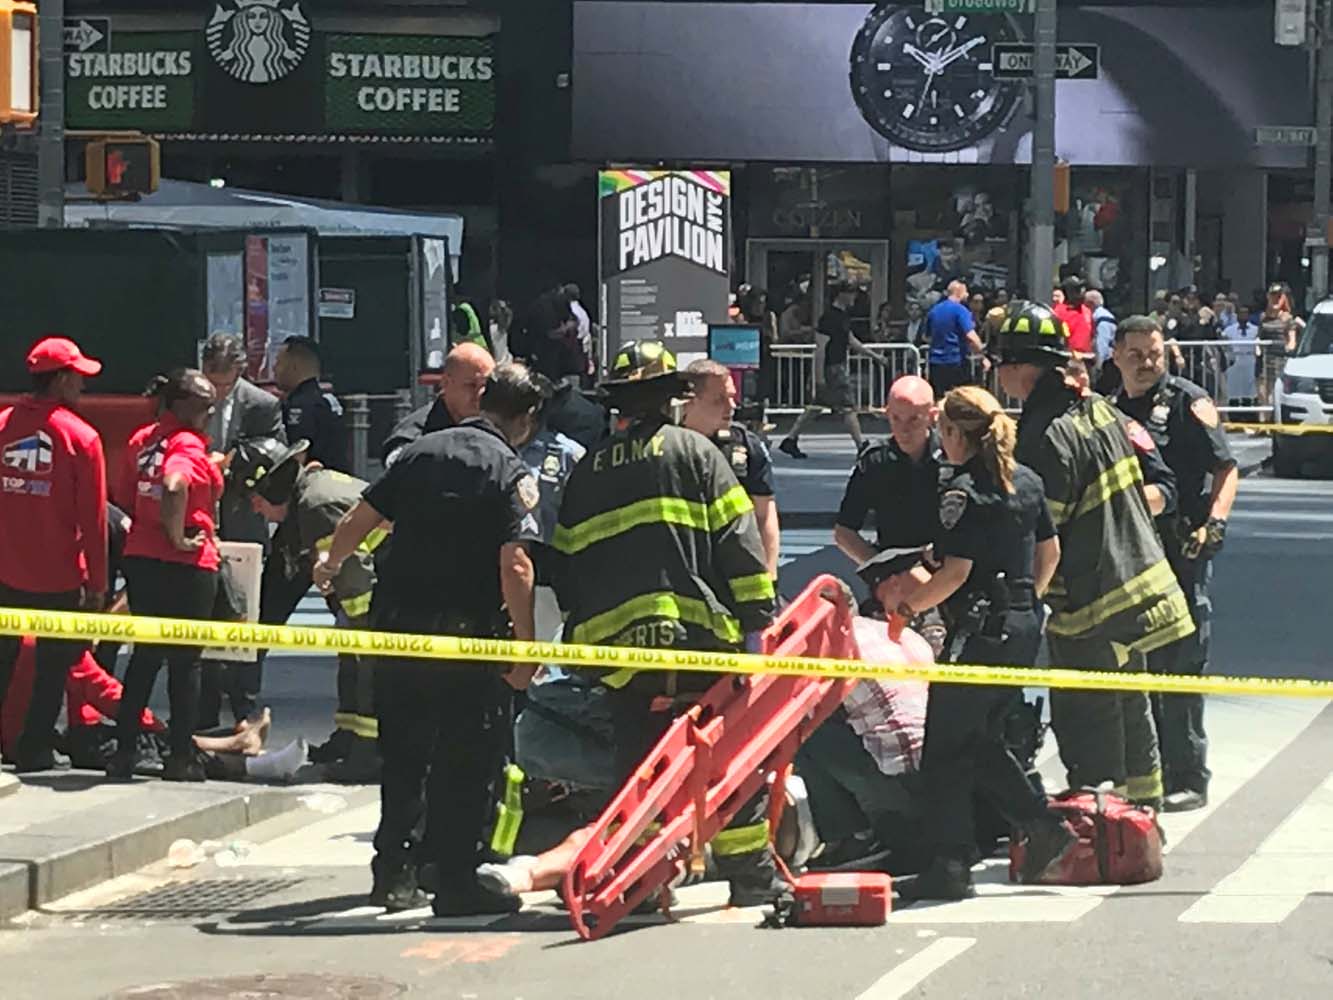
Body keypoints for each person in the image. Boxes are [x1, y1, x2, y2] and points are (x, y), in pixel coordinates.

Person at [548, 340, 782, 908]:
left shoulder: (587, 471)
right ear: (671, 400)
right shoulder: (698, 455)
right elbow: (740, 547)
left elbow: (564, 566)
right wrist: (759, 624)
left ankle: (642, 876)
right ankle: (750, 874)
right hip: (697, 647)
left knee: (640, 769)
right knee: (730, 760)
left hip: (624, 660)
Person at [316, 361, 543, 916]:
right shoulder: (508, 469)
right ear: (527, 419)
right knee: (465, 759)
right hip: (468, 643)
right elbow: (516, 565)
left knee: (404, 758)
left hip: (399, 635)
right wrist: (526, 646)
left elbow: (362, 515)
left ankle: (393, 874)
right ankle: (453, 877)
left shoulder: (422, 452)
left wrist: (332, 561)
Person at [991, 302, 1194, 806]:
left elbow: (1041, 530)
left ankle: (1101, 812)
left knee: (1087, 710)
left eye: (1001, 366)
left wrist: (1016, 593)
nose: (998, 376)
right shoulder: (1101, 409)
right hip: (1140, 584)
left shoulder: (1041, 435)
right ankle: (1141, 812)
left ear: (1020, 368)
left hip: (1091, 600)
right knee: (1130, 700)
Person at [894, 386, 1077, 900]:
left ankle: (952, 864)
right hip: (1019, 628)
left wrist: (906, 609)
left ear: (955, 433)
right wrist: (1028, 604)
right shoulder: (1027, 482)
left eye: (944, 432)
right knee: (979, 739)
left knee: (945, 750)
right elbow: (1051, 552)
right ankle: (1038, 827)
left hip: (981, 633)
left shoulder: (964, 491)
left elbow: (955, 573)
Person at [1111, 315, 1238, 813]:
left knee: (1182, 661)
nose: (1148, 363)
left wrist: (1217, 523)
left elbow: (1225, 467)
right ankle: (1145, 770)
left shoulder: (1186, 402)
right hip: (1132, 552)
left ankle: (1189, 774)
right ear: (1117, 354)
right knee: (1137, 660)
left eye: (1156, 354)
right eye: (1138, 354)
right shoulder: (1110, 408)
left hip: (1182, 547)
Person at [229, 436, 382, 782]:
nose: (256, 509)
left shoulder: (316, 504)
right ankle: (348, 739)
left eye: (256, 499)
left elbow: (355, 577)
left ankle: (368, 755)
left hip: (376, 600)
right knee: (352, 668)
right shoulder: (312, 494)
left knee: (368, 669)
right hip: (375, 594)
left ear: (274, 486)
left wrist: (360, 628)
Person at [109, 370, 225, 782]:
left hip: (141, 558)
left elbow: (125, 495)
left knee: (143, 658)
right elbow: (175, 485)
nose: (211, 411)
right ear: (179, 404)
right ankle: (180, 757)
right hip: (186, 566)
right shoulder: (186, 445)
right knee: (185, 663)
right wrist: (177, 536)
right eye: (203, 404)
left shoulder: (143, 440)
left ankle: (123, 752)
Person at [0, 336, 108, 772]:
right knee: (50, 673)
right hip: (59, 578)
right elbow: (94, 520)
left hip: (4, 572)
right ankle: (33, 750)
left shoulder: (3, 424)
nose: (82, 386)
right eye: (78, 377)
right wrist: (98, 585)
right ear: (61, 379)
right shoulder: (81, 437)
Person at [200, 333, 286, 727]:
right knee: (200, 618)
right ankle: (203, 704)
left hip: (241, 519)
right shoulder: (187, 393)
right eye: (211, 380)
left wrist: (230, 465)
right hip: (199, 521)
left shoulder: (261, 405)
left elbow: (276, 457)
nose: (216, 391)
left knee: (242, 617)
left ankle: (243, 703)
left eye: (224, 382)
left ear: (239, 371)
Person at [833, 375, 942, 615]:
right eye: (896, 418)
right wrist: (884, 570)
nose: (904, 429)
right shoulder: (875, 462)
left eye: (914, 419)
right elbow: (844, 532)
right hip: (892, 572)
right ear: (886, 414)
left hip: (945, 570)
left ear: (933, 416)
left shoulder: (950, 458)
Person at [684, 359, 781, 578]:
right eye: (719, 400)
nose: (732, 407)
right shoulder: (667, 445)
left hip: (737, 566)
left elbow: (764, 515)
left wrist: (770, 575)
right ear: (690, 402)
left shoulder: (746, 445)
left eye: (732, 397)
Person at [779, 283, 889, 458]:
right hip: (833, 368)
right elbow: (820, 349)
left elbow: (851, 341)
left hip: (836, 367)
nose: (854, 298)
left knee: (816, 406)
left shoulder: (842, 317)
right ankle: (861, 444)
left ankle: (790, 439)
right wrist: (819, 377)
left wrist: (875, 356)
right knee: (848, 407)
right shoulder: (828, 318)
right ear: (841, 295)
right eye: (851, 293)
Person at [380, 342, 495, 467]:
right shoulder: (414, 436)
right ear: (445, 383)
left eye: (486, 385)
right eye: (471, 385)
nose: (480, 394)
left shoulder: (500, 424)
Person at [274, 336, 349, 472]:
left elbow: (298, 454)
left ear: (294, 367)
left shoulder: (301, 405)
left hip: (314, 484)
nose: (274, 369)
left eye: (278, 363)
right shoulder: (327, 398)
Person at [925, 281, 985, 399]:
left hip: (935, 363)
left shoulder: (934, 310)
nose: (967, 295)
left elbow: (927, 337)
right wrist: (982, 355)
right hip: (956, 361)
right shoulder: (960, 310)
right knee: (962, 398)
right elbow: (971, 336)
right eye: (965, 292)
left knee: (939, 398)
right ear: (959, 292)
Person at [1052, 277, 1093, 357]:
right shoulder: (1058, 312)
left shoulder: (1087, 310)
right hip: (1068, 358)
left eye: (1082, 289)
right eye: (1077, 290)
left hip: (1086, 358)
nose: (1082, 292)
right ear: (1068, 292)